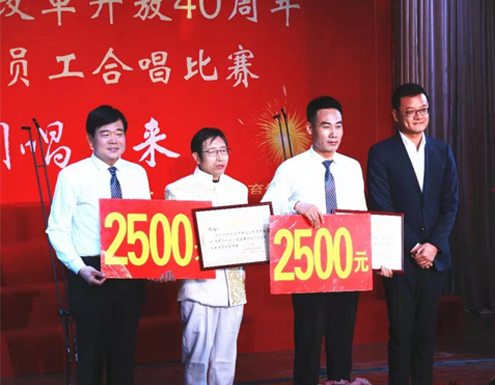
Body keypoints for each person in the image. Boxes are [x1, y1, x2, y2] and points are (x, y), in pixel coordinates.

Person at [262, 96, 368, 385]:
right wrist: (296, 206)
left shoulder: (352, 167)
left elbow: (361, 216)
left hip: (346, 265)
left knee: (342, 340)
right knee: (308, 341)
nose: (333, 133)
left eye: (338, 126)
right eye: (326, 126)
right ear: (310, 128)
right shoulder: (291, 168)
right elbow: (266, 207)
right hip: (307, 267)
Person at [47, 105, 151, 385]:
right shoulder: (72, 175)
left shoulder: (137, 173)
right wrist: (79, 268)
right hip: (90, 271)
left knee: (124, 353)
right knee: (91, 355)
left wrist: (156, 262)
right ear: (90, 139)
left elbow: (147, 222)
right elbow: (56, 228)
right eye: (105, 134)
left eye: (119, 133)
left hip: (130, 271)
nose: (114, 140)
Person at [367, 84, 459, 385]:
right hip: (399, 259)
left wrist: (433, 246)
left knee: (426, 335)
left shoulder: (442, 151)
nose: (419, 117)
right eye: (411, 112)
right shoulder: (381, 153)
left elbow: (451, 204)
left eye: (424, 110)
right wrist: (416, 247)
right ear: (396, 114)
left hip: (434, 259)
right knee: (400, 333)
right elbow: (381, 205)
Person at [165, 128, 248, 385]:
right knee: (197, 356)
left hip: (234, 282)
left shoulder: (238, 189)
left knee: (226, 356)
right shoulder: (178, 190)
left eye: (224, 150)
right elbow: (174, 240)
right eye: (212, 151)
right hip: (198, 284)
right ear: (196, 156)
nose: (220, 157)